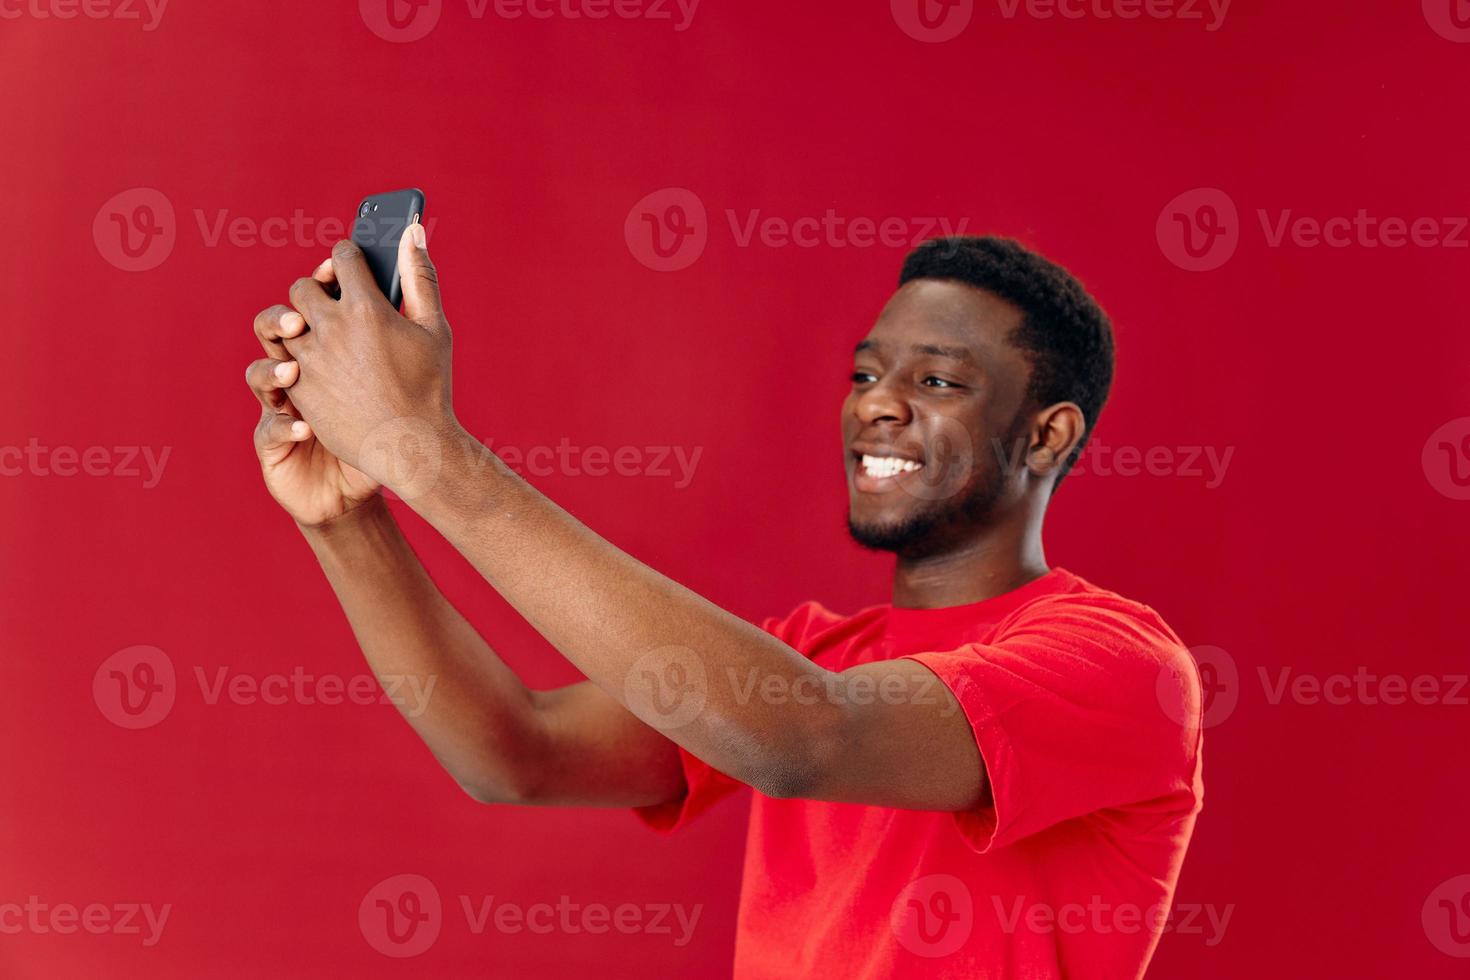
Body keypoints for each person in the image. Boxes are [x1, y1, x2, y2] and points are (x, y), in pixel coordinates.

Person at [244, 230, 1203, 978]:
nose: (877, 403)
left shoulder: (1118, 663)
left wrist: (428, 454)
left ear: (1048, 436)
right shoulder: (814, 654)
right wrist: (349, 519)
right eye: (866, 373)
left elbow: (800, 741)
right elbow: (516, 752)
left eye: (939, 381)